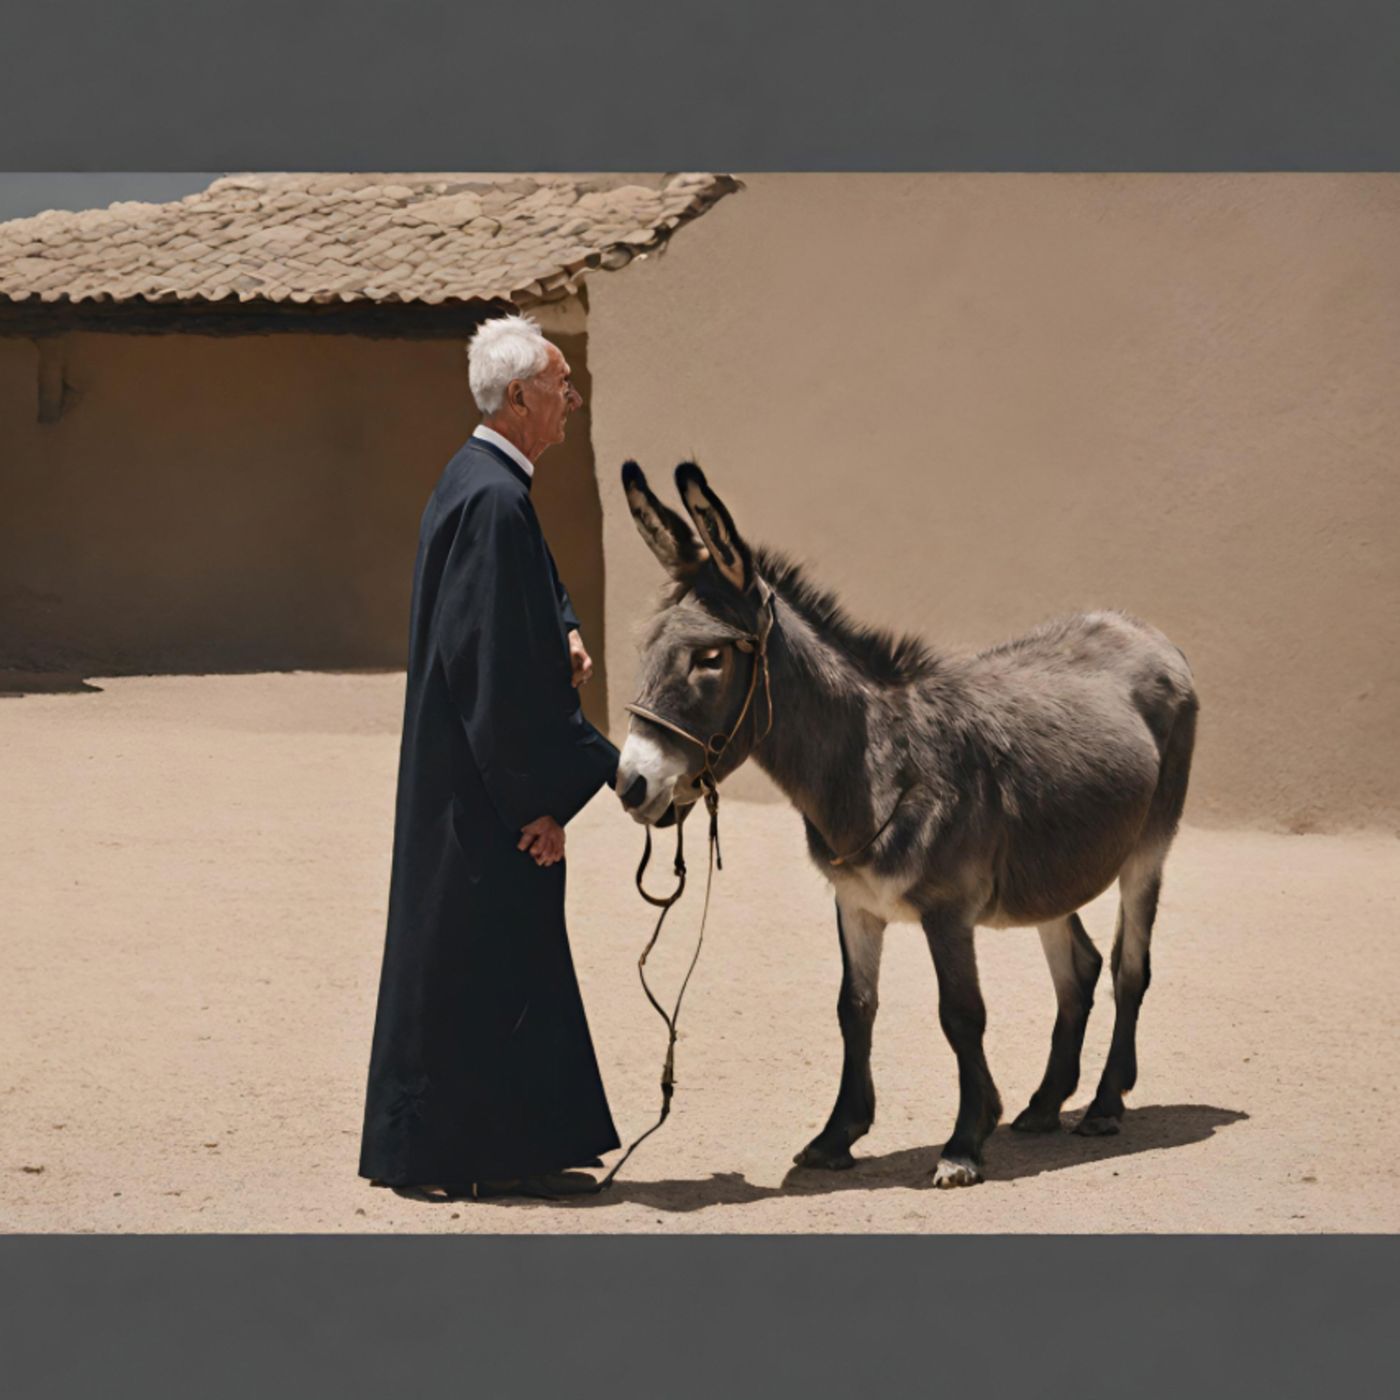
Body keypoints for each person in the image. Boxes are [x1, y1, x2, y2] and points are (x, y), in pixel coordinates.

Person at [359, 314, 621, 1200]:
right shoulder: (495, 496)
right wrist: (544, 797)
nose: (570, 403)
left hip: (469, 784)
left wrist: (571, 628)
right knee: (481, 965)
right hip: (484, 793)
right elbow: (492, 673)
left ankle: (506, 1153)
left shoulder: (482, 482)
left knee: (491, 961)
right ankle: (468, 1160)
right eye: (561, 387)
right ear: (520, 397)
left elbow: (532, 592)